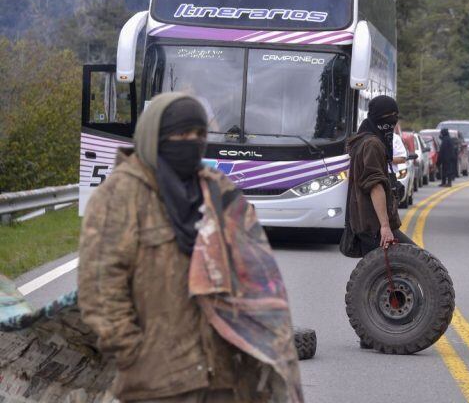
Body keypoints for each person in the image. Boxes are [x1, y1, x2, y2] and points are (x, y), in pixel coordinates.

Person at [78, 93, 303, 403]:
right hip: (158, 384)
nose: (191, 142)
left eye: (199, 134)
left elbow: (258, 277)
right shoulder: (119, 196)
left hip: (224, 380)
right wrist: (135, 354)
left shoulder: (217, 190)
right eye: (181, 134)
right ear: (154, 135)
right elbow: (101, 291)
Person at [341, 95, 416, 256]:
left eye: (396, 116)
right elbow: (375, 185)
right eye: (391, 116)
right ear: (379, 117)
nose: (394, 120)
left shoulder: (363, 141)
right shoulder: (372, 144)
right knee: (419, 262)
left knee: (387, 272)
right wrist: (385, 226)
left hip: (367, 222)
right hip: (372, 224)